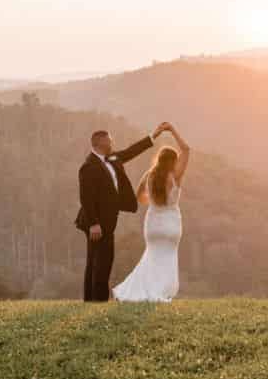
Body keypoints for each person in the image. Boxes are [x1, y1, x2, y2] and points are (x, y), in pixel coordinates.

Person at [75, 124, 169, 302]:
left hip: (108, 220)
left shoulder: (112, 158)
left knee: (96, 260)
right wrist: (94, 223)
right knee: (101, 261)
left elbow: (132, 151)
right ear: (100, 143)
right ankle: (99, 301)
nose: (112, 142)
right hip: (97, 223)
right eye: (110, 140)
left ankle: (91, 301)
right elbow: (86, 198)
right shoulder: (88, 167)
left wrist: (153, 136)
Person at [113, 124, 191, 303]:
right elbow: (186, 149)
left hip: (153, 222)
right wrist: (172, 130)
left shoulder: (149, 175)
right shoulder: (175, 176)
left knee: (151, 257)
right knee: (167, 257)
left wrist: (155, 204)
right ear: (173, 161)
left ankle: (133, 291)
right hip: (171, 223)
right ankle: (160, 291)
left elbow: (139, 197)